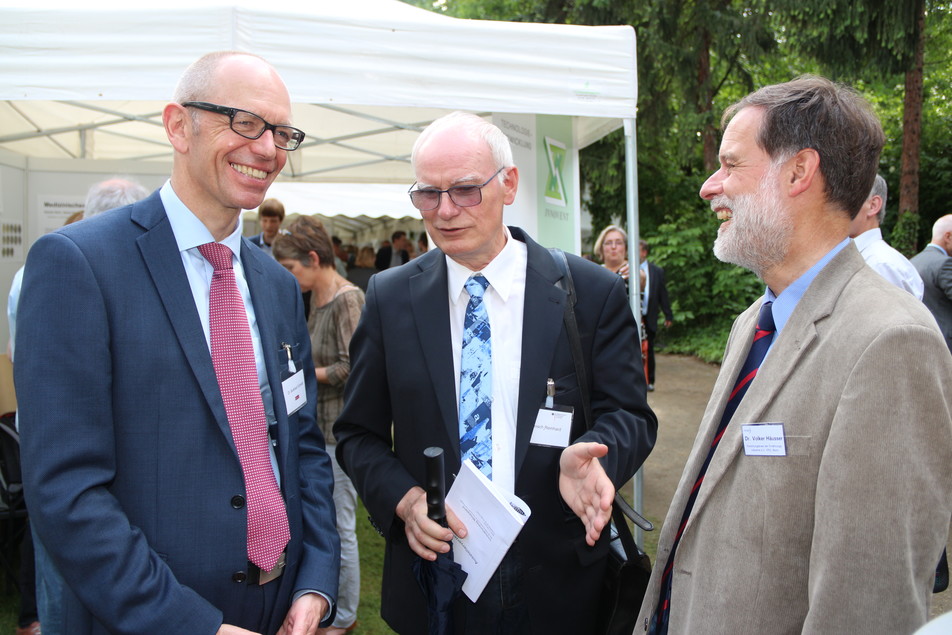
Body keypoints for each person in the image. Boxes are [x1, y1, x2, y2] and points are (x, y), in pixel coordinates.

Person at [15, 51, 339, 635]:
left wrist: (316, 579)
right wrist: (192, 625)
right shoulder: (80, 265)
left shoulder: (274, 285)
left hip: (280, 606)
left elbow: (302, 444)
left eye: (282, 132)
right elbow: (66, 490)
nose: (268, 148)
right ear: (176, 124)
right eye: (243, 122)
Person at [638, 76, 952, 634]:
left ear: (799, 171)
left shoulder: (891, 341)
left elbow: (864, 608)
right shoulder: (752, 324)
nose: (711, 187)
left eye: (731, 165)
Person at [334, 111, 657, 634]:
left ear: (508, 184)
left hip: (559, 578)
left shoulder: (588, 293)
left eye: (463, 190)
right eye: (427, 194)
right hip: (437, 581)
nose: (444, 211)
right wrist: (405, 500)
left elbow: (631, 415)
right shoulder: (391, 299)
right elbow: (356, 435)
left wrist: (599, 457)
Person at [7, 177, 150, 635]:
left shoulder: (36, 268)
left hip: (64, 430)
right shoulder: (63, 263)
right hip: (74, 434)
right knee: (69, 549)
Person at [273, 217, 365, 635]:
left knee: (341, 528)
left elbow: (354, 367)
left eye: (292, 269)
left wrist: (303, 373)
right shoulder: (315, 297)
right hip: (318, 432)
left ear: (313, 258)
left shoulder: (348, 299)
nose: (289, 278)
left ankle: (343, 617)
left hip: (339, 434)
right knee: (322, 524)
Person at [848, 174, 924, 298]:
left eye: (846, 200)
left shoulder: (880, 265)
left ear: (873, 206)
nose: (835, 208)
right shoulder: (871, 260)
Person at [911, 214, 952, 353]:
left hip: (922, 341)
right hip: (947, 345)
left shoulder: (913, 262)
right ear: (948, 236)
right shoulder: (945, 264)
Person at [638, 240, 673, 392]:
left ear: (644, 252)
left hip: (649, 316)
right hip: (634, 317)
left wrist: (668, 315)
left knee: (649, 349)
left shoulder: (657, 271)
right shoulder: (627, 268)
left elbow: (662, 295)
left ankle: (649, 381)